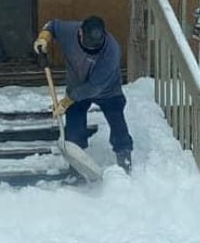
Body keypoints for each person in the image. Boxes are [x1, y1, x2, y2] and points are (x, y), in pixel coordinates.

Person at [33, 15, 134, 173]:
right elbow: (52, 26)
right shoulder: (69, 31)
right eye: (88, 46)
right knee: (74, 128)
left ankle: (124, 157)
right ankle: (76, 163)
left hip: (108, 90)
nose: (92, 50)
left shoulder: (112, 51)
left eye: (96, 47)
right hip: (76, 85)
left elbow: (94, 87)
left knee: (117, 122)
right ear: (80, 32)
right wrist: (44, 38)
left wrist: (66, 101)